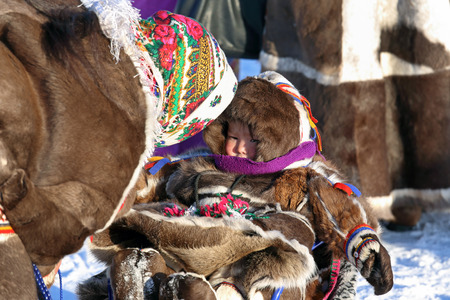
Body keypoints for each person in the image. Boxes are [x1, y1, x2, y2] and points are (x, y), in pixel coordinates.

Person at [83, 71, 393, 300]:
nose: (239, 148)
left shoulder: (298, 176)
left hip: (262, 271)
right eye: (233, 136)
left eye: (253, 140)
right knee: (151, 238)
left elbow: (338, 206)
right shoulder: (203, 167)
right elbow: (157, 182)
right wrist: (118, 183)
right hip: (194, 253)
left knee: (279, 243)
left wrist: (363, 244)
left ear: (279, 140)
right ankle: (144, 279)